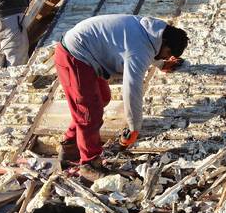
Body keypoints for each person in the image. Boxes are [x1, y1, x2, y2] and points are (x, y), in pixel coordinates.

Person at [54, 14, 188, 178]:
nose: (165, 57)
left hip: (88, 50)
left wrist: (161, 64)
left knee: (102, 98)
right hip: (74, 56)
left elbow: (148, 50)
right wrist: (134, 127)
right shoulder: (140, 51)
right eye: (166, 54)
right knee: (89, 114)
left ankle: (70, 146)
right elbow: (132, 89)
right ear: (165, 42)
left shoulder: (154, 30)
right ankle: (89, 163)